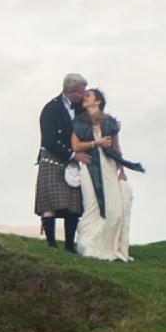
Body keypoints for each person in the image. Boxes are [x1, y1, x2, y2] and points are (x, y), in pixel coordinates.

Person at [70, 87, 143, 260]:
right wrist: (96, 143)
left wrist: (122, 170)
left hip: (109, 166)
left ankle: (107, 247)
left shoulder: (110, 122)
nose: (84, 98)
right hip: (90, 167)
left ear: (98, 101)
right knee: (92, 205)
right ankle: (87, 244)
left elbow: (116, 147)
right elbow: (76, 146)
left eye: (88, 95)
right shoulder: (79, 121)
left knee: (114, 209)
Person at [35, 74, 90, 251]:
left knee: (73, 205)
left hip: (72, 160)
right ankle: (51, 244)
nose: (84, 96)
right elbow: (48, 140)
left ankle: (69, 246)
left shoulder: (82, 109)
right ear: (69, 91)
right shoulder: (51, 109)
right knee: (50, 203)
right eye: (81, 92)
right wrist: (73, 155)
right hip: (52, 158)